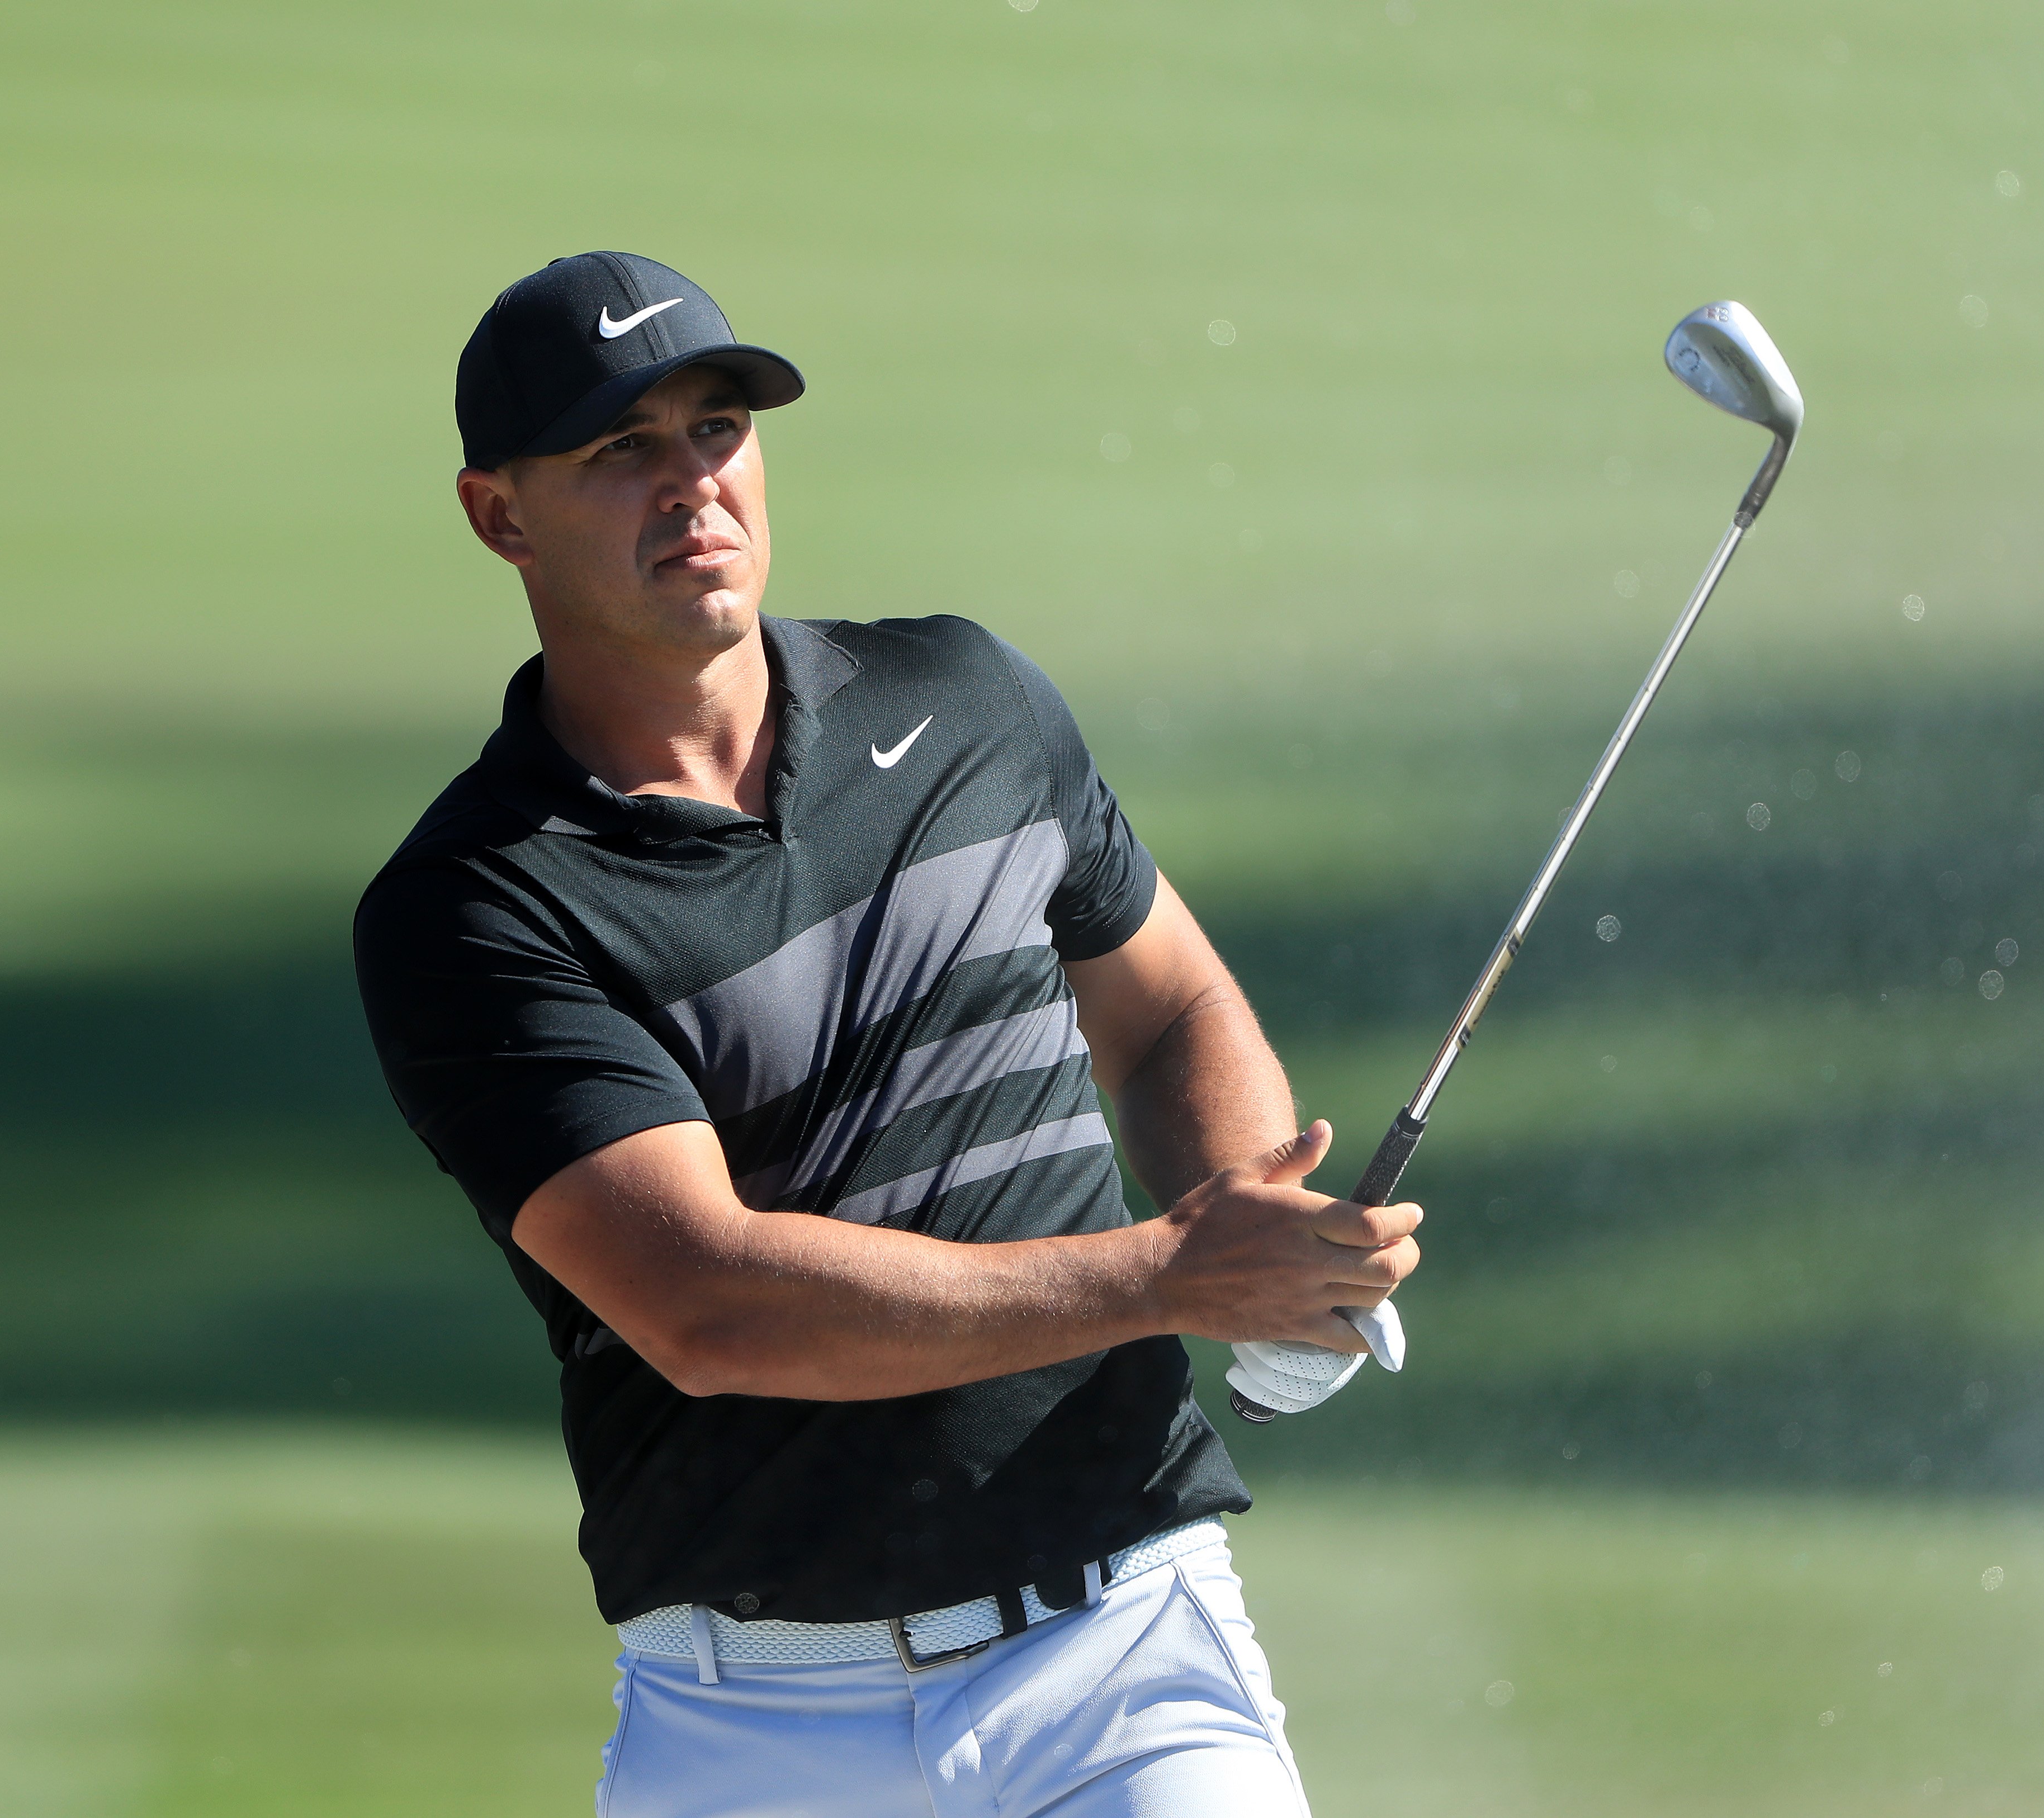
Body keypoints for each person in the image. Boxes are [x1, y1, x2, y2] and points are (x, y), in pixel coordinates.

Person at [353, 252, 1421, 1817]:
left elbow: (1167, 1003)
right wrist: (1175, 1271)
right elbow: (708, 1305)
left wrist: (1264, 1227)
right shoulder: (483, 903)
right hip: (756, 1724)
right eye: (619, 451)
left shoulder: (970, 700)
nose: (692, 486)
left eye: (716, 429)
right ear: (498, 514)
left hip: (1119, 1652)